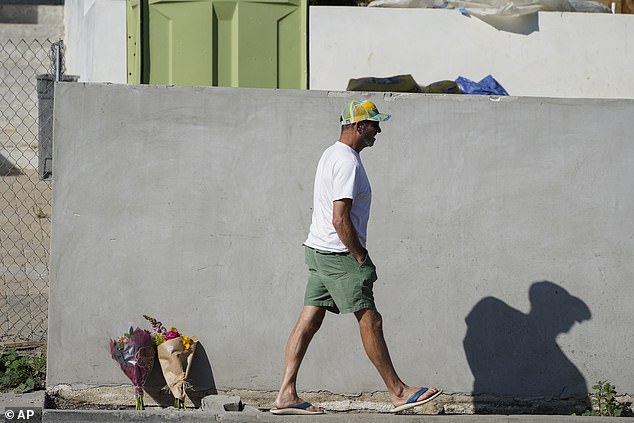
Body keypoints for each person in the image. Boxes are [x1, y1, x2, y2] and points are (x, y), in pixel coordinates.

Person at [271, 100, 442, 415]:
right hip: (339, 255)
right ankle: (399, 391)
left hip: (319, 250)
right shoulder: (348, 161)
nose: (379, 129)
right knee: (370, 319)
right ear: (358, 125)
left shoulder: (330, 153)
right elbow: (340, 218)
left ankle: (285, 394)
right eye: (374, 123)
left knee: (309, 321)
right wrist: (361, 256)